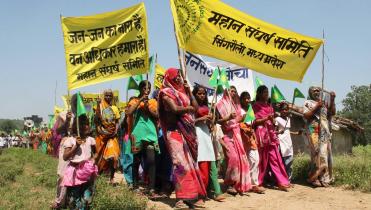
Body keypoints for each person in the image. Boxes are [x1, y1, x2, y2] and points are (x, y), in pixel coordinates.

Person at [158, 68, 206, 209]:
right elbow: (174, 109)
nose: (179, 78)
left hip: (187, 133)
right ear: (169, 78)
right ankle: (180, 199)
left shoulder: (183, 93)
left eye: (180, 76)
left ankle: (191, 197)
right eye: (176, 76)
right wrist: (188, 109)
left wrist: (189, 91)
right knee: (180, 165)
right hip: (174, 133)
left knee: (190, 164)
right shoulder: (165, 93)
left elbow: (196, 108)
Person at [126, 80, 161, 199]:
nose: (147, 90)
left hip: (150, 134)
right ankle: (135, 186)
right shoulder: (134, 100)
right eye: (145, 88)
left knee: (151, 161)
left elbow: (157, 116)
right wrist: (140, 101)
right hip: (138, 134)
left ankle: (151, 189)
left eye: (149, 88)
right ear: (140, 89)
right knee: (136, 161)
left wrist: (148, 108)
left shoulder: (153, 102)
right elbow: (129, 112)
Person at [252, 85, 290, 191]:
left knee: (275, 159)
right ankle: (258, 182)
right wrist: (265, 119)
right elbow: (254, 122)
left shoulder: (270, 107)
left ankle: (281, 181)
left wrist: (273, 122)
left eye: (267, 92)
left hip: (271, 135)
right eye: (264, 92)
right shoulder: (255, 106)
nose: (266, 94)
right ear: (259, 94)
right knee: (261, 160)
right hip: (261, 135)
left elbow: (272, 122)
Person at [216, 86, 251, 195]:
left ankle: (236, 184)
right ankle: (229, 182)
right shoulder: (219, 104)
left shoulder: (236, 105)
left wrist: (243, 118)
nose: (233, 93)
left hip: (236, 133)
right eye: (231, 91)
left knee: (241, 158)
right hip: (225, 134)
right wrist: (228, 118)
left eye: (235, 91)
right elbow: (217, 120)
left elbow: (238, 120)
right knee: (233, 158)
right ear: (226, 91)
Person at [193, 86, 225, 201]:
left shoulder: (207, 107)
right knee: (202, 167)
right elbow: (189, 121)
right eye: (199, 93)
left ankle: (215, 192)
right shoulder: (192, 106)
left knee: (212, 165)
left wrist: (211, 121)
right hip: (197, 135)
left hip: (207, 135)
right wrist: (201, 119)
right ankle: (199, 194)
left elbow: (209, 123)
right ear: (194, 94)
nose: (202, 96)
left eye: (203, 94)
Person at [62, 114, 98, 209]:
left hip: (87, 172)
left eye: (87, 124)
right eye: (82, 124)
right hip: (74, 173)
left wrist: (93, 160)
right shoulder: (70, 140)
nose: (86, 126)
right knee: (74, 199)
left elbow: (96, 153)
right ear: (76, 127)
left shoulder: (91, 140)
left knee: (87, 198)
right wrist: (76, 146)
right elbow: (65, 157)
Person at [303, 87, 336, 187]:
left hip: (324, 130)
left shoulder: (324, 103)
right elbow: (306, 116)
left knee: (325, 153)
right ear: (310, 93)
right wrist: (317, 106)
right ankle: (314, 178)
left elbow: (332, 113)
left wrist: (332, 99)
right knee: (316, 153)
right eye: (314, 91)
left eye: (318, 90)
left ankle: (324, 178)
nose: (317, 92)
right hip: (314, 130)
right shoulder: (307, 103)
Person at [239, 91, 265, 194]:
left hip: (251, 137)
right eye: (245, 98)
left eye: (248, 98)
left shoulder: (250, 110)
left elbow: (252, 123)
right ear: (241, 100)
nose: (247, 100)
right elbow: (239, 122)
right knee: (250, 160)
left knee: (256, 160)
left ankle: (253, 183)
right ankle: (249, 184)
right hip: (243, 137)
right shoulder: (239, 110)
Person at [95, 89, 121, 184]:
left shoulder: (114, 108)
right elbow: (96, 119)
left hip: (112, 136)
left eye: (110, 95)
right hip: (102, 136)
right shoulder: (100, 106)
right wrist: (98, 105)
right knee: (101, 156)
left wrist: (115, 131)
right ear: (103, 96)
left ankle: (111, 178)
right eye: (106, 95)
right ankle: (98, 175)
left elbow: (117, 122)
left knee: (113, 157)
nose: (108, 97)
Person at [275, 102, 302, 181]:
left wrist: (296, 133)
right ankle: (281, 180)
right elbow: (274, 132)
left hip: (288, 142)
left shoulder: (288, 119)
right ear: (280, 110)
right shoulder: (277, 119)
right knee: (282, 162)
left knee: (289, 161)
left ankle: (288, 179)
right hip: (281, 142)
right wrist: (279, 132)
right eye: (283, 109)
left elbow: (287, 131)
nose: (284, 111)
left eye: (286, 109)